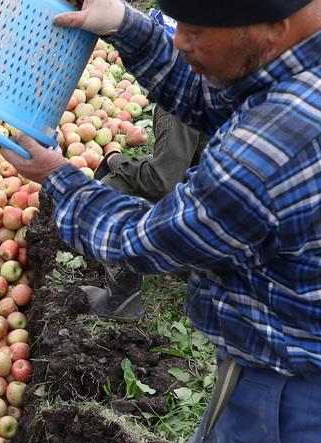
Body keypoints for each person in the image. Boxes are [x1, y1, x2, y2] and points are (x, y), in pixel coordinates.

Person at [0, 1, 321, 443]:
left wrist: (57, 179)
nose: (182, 41)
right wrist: (125, 26)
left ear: (273, 26)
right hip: (266, 359)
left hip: (305, 395)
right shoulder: (319, 52)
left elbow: (145, 242)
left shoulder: (269, 150)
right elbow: (211, 98)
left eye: (197, 29)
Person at [86, 10, 209, 321]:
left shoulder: (178, 100)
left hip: (218, 222)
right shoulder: (213, 77)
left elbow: (162, 181)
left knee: (110, 192)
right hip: (236, 214)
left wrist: (116, 161)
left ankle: (122, 300)